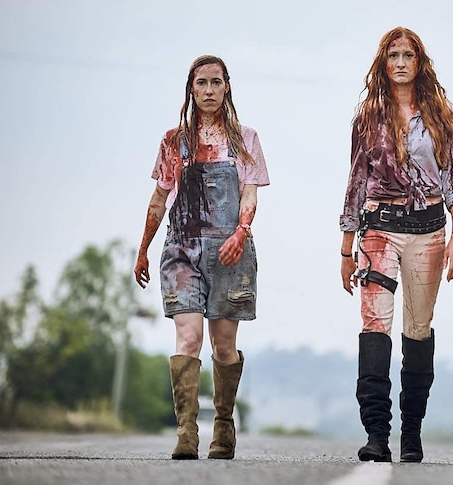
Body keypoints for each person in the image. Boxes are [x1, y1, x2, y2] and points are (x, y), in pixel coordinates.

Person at [339, 27, 453, 463]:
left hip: (430, 230)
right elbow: (356, 182)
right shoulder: (369, 117)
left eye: (407, 55)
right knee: (374, 325)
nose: (399, 62)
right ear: (383, 62)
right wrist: (344, 247)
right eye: (392, 54)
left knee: (417, 330)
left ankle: (411, 434)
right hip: (379, 228)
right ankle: (377, 433)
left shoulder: (439, 115)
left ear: (418, 63)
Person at [134, 55, 270, 460]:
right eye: (201, 84)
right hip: (182, 249)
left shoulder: (246, 139)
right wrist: (143, 247)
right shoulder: (174, 141)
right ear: (191, 90)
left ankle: (223, 427)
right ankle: (186, 433)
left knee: (223, 345)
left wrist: (241, 232)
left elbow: (250, 192)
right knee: (188, 336)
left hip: (230, 251)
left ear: (227, 87)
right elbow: (160, 198)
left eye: (215, 82)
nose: (208, 90)